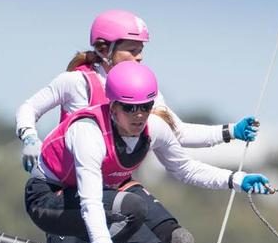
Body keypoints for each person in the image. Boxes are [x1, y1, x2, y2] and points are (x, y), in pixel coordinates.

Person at [20, 61, 270, 243]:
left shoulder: (155, 127)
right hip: (50, 198)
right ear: (113, 107)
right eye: (129, 108)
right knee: (130, 208)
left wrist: (237, 179)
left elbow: (185, 168)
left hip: (109, 198)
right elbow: (88, 201)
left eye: (145, 107)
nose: (139, 115)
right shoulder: (87, 132)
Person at [16, 9, 258, 173]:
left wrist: (231, 132)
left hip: (112, 183)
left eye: (141, 50)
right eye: (132, 50)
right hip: (71, 183)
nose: (140, 57)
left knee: (175, 240)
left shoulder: (143, 90)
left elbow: (178, 133)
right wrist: (29, 138)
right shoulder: (76, 81)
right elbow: (29, 108)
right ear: (103, 49)